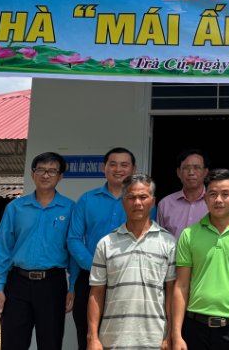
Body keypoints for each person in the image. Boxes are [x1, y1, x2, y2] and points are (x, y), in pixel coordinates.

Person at [0, 152, 77, 350]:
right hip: (17, 284)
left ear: (60, 176)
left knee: (50, 342)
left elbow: (73, 250)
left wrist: (72, 287)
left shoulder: (70, 209)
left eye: (52, 171)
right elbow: (3, 249)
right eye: (41, 170)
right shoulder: (16, 208)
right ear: (32, 174)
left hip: (52, 284)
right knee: (12, 342)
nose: (46, 175)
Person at [172, 169, 229, 350]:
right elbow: (181, 286)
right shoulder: (189, 235)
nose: (218, 200)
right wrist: (176, 334)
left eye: (225, 194)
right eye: (212, 194)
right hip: (195, 327)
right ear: (205, 197)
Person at [87, 174, 177, 350]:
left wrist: (171, 335)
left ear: (153, 201)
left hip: (155, 340)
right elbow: (96, 292)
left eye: (143, 197)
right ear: (123, 201)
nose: (137, 203)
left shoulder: (169, 242)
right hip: (112, 339)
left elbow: (172, 293)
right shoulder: (106, 243)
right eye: (131, 197)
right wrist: (92, 337)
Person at [68, 147, 141, 350]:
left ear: (133, 169)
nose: (118, 169)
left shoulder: (144, 201)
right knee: (88, 338)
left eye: (124, 165)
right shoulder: (86, 200)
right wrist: (95, 267)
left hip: (128, 279)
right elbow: (74, 238)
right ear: (104, 168)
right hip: (90, 278)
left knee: (124, 338)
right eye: (113, 164)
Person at [159, 149, 210, 238]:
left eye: (196, 167)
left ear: (205, 172)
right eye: (186, 168)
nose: (191, 173)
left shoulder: (216, 202)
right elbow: (160, 240)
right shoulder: (165, 204)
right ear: (178, 172)